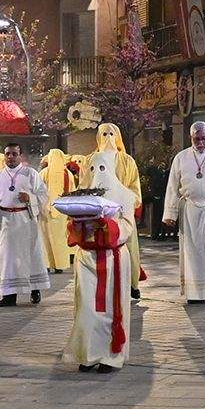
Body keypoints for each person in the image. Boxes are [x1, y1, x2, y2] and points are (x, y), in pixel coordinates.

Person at [65, 150, 136, 372]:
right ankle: (88, 354)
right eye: (93, 168)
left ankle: (110, 356)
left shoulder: (124, 195)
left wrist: (107, 226)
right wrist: (77, 224)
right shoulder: (81, 195)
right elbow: (72, 225)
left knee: (111, 309)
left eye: (102, 168)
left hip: (113, 258)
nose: (97, 173)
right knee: (86, 308)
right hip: (87, 258)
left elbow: (128, 226)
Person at [161, 120, 205, 304]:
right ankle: (194, 294)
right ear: (190, 138)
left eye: (203, 139)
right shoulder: (181, 158)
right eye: (196, 139)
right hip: (190, 211)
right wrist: (170, 214)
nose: (200, 143)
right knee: (191, 252)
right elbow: (172, 187)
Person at [0, 142, 50, 306]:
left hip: (25, 220)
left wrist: (30, 198)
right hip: (5, 222)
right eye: (7, 154)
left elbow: (43, 194)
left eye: (14, 154)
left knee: (30, 255)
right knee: (8, 259)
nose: (10, 157)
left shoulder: (30, 174)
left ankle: (35, 290)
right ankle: (9, 296)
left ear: (20, 155)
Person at [94, 123, 144, 298]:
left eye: (111, 134)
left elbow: (134, 185)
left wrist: (128, 200)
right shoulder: (92, 159)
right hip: (100, 213)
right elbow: (86, 184)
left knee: (128, 247)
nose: (108, 138)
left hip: (123, 212)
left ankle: (132, 284)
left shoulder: (127, 161)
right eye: (104, 134)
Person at [41, 147, 76, 273]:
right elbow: (72, 193)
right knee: (60, 239)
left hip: (46, 211)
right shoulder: (68, 174)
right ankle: (59, 265)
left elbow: (38, 191)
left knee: (45, 239)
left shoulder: (44, 172)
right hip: (61, 211)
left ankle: (46, 264)